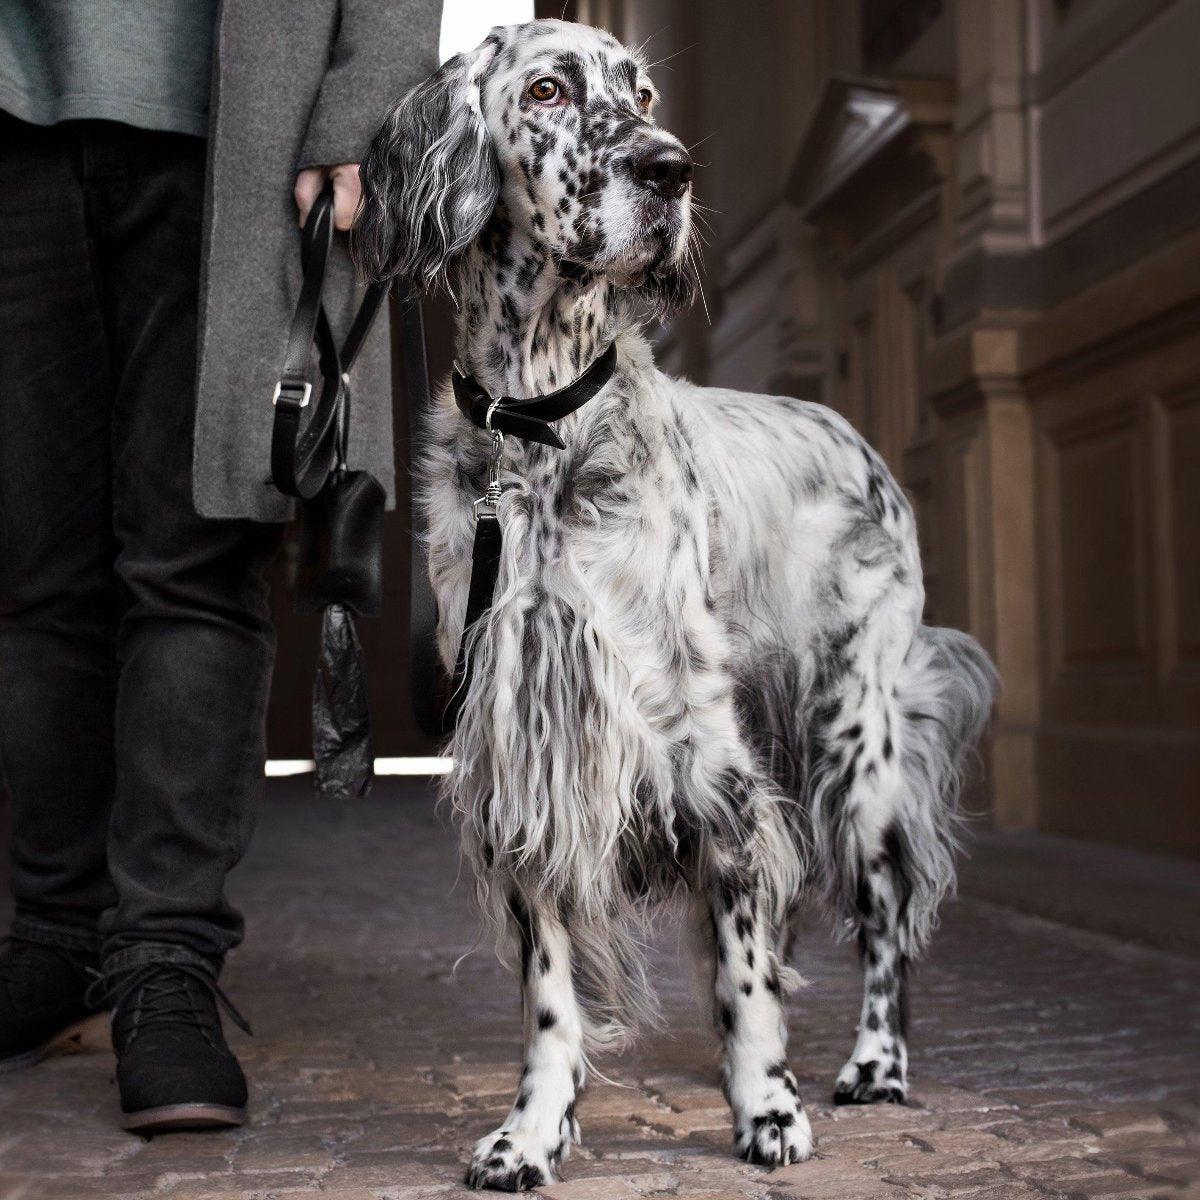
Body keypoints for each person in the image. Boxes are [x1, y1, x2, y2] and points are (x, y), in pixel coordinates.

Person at [0, 1, 439, 1131]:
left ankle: (163, 963)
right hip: (13, 108)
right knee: (31, 571)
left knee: (194, 555)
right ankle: (52, 941)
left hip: (236, 116)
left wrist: (368, 94)